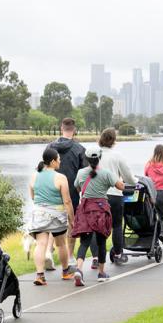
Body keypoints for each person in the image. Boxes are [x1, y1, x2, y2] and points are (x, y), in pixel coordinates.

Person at [72, 146, 125, 285]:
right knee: (102, 243)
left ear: (87, 159)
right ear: (99, 158)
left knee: (84, 243)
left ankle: (78, 269)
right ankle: (101, 273)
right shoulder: (106, 173)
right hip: (101, 210)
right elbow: (120, 186)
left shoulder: (80, 173)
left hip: (85, 209)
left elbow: (77, 188)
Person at [28, 148, 75, 285]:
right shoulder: (60, 178)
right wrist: (72, 219)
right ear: (53, 161)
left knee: (41, 244)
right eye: (59, 159)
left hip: (39, 214)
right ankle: (65, 272)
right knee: (61, 244)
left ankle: (40, 275)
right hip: (57, 216)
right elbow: (67, 201)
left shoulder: (34, 176)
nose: (60, 161)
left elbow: (32, 196)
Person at [49, 118, 87, 267]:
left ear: (61, 128)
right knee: (72, 223)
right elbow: (83, 174)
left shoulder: (50, 147)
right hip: (72, 191)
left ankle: (49, 253)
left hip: (52, 189)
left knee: (52, 222)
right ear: (74, 130)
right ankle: (70, 256)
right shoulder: (79, 149)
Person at [98, 128, 135, 264]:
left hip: (97, 195)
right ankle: (118, 254)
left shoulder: (95, 154)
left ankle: (96, 258)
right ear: (113, 140)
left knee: (97, 226)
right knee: (117, 225)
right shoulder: (117, 156)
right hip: (114, 194)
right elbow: (128, 177)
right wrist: (135, 181)